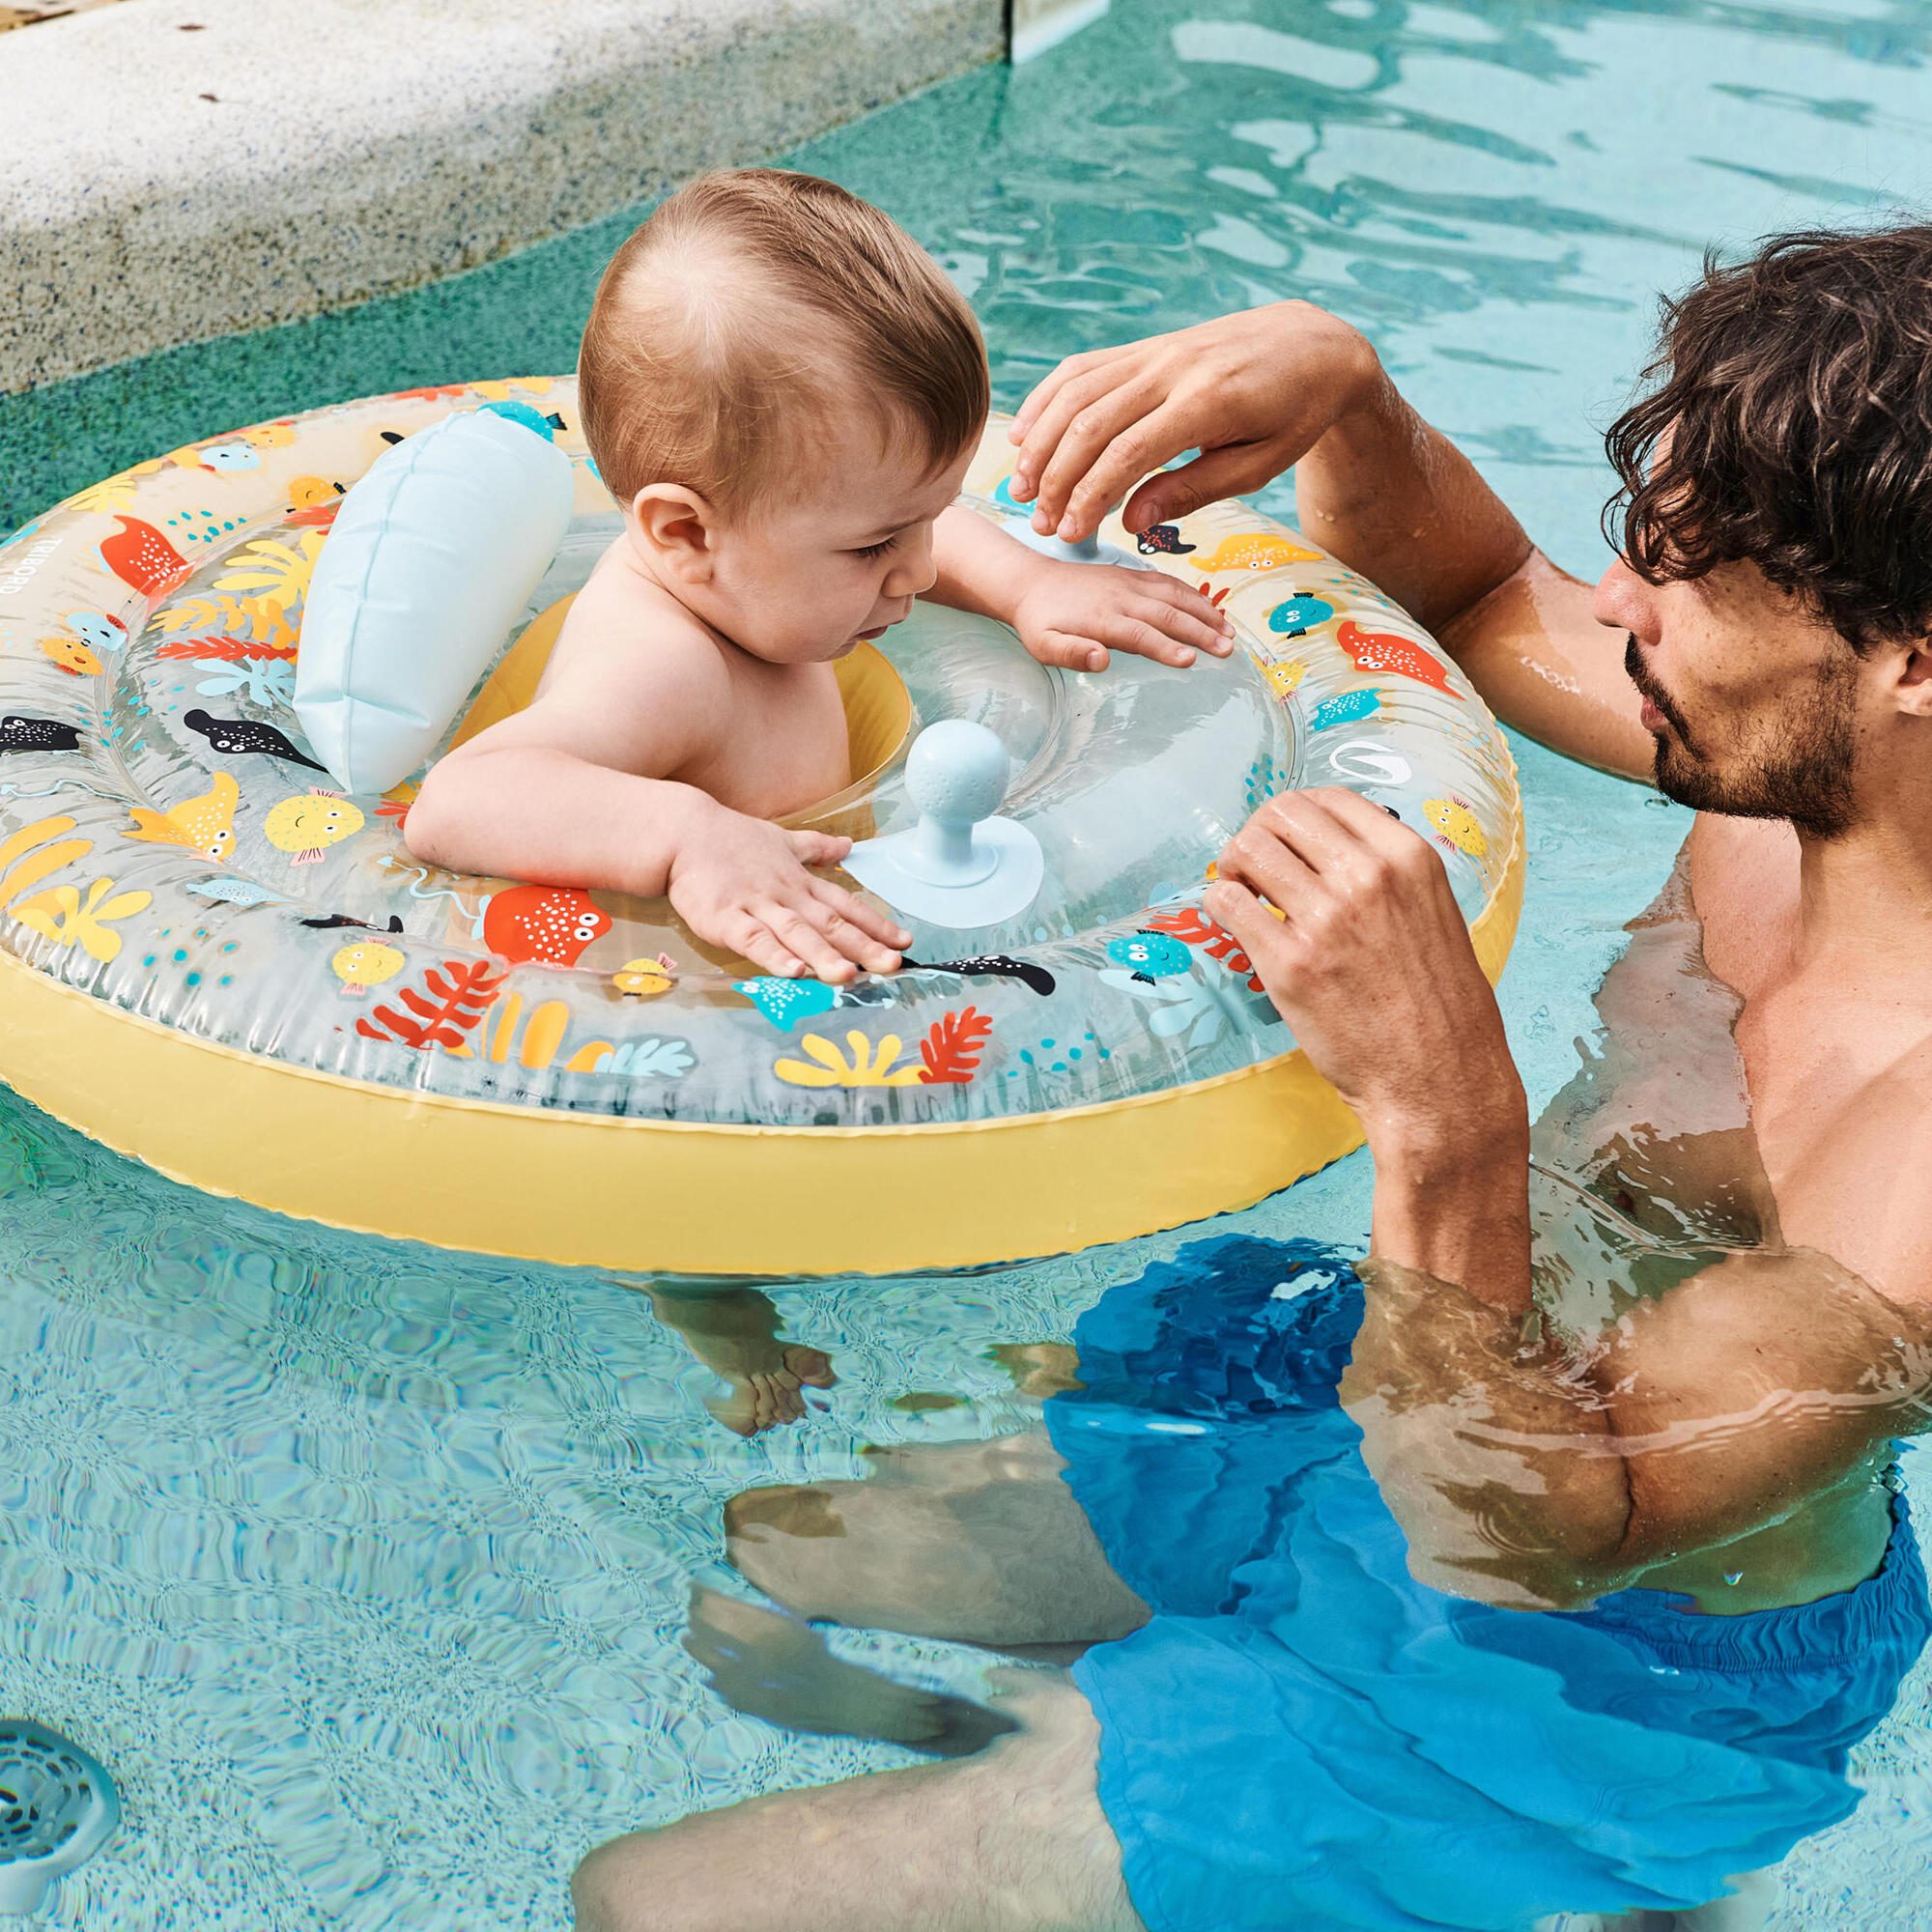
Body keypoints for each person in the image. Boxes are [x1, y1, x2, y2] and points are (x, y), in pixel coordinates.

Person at [571, 226, 1932, 1931]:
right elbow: (1476, 599)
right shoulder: (1797, 762)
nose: (1613, 607)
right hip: (1402, 1388)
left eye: (1691, 578)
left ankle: (1489, 1862)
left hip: (1594, 1671)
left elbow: (1521, 1541)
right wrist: (1351, 395)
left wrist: (1443, 1110)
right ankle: (1136, 1749)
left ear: (1913, 660)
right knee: (788, 1551)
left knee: (647, 1906)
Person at [405, 170, 1232, 986]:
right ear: (686, 532)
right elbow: (458, 800)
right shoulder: (664, 669)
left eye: (928, 519)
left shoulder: (755, 565)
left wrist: (1025, 585)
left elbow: (890, 514)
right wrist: (687, 837)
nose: (922, 569)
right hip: (696, 1001)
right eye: (876, 548)